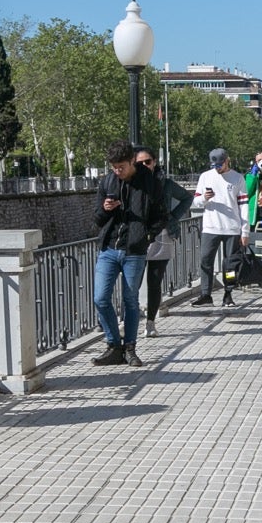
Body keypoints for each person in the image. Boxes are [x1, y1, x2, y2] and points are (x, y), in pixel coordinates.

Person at [91, 142, 168, 366]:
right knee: (100, 298)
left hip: (134, 250)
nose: (118, 171)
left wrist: (146, 236)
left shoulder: (150, 182)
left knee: (130, 300)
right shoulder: (107, 181)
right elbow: (97, 219)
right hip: (109, 248)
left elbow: (162, 216)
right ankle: (114, 345)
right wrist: (105, 209)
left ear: (132, 161)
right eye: (114, 167)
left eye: (121, 167)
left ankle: (130, 348)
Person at [136, 148, 193, 338]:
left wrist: (173, 217)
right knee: (132, 282)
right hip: (137, 237)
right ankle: (128, 322)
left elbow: (187, 197)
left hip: (161, 236)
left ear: (154, 162)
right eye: (139, 163)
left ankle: (150, 323)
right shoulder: (132, 183)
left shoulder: (165, 184)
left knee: (154, 281)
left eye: (148, 162)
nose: (144, 165)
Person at [192, 148, 247, 307]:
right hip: (210, 227)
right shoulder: (205, 177)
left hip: (232, 228)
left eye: (220, 165)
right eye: (214, 165)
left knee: (230, 264)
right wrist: (204, 198)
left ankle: (228, 293)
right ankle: (205, 294)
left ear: (227, 161)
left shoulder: (237, 178)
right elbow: (196, 202)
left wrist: (245, 231)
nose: (217, 168)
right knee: (205, 260)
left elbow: (244, 206)